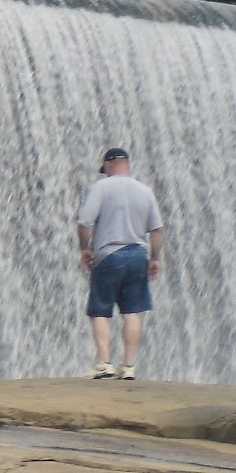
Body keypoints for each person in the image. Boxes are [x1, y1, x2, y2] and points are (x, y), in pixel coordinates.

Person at [76, 147, 164, 380]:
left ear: (108, 165)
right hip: (138, 255)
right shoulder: (144, 190)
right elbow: (156, 230)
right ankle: (129, 367)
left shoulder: (101, 187)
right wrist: (155, 259)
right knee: (132, 312)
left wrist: (85, 249)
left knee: (100, 311)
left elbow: (85, 223)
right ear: (128, 165)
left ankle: (105, 364)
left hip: (109, 255)